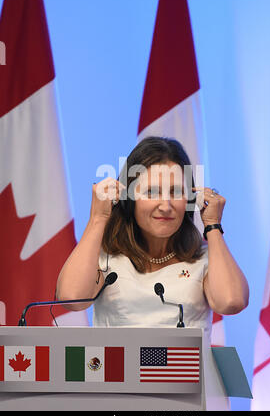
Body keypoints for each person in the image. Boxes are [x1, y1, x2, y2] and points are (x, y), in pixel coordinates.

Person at [56, 137, 249, 339]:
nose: (166, 206)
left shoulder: (205, 256)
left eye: (176, 192)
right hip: (116, 370)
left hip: (186, 370)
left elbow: (231, 302)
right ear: (129, 199)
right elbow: (72, 298)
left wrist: (213, 225)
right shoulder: (105, 256)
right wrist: (98, 218)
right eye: (151, 192)